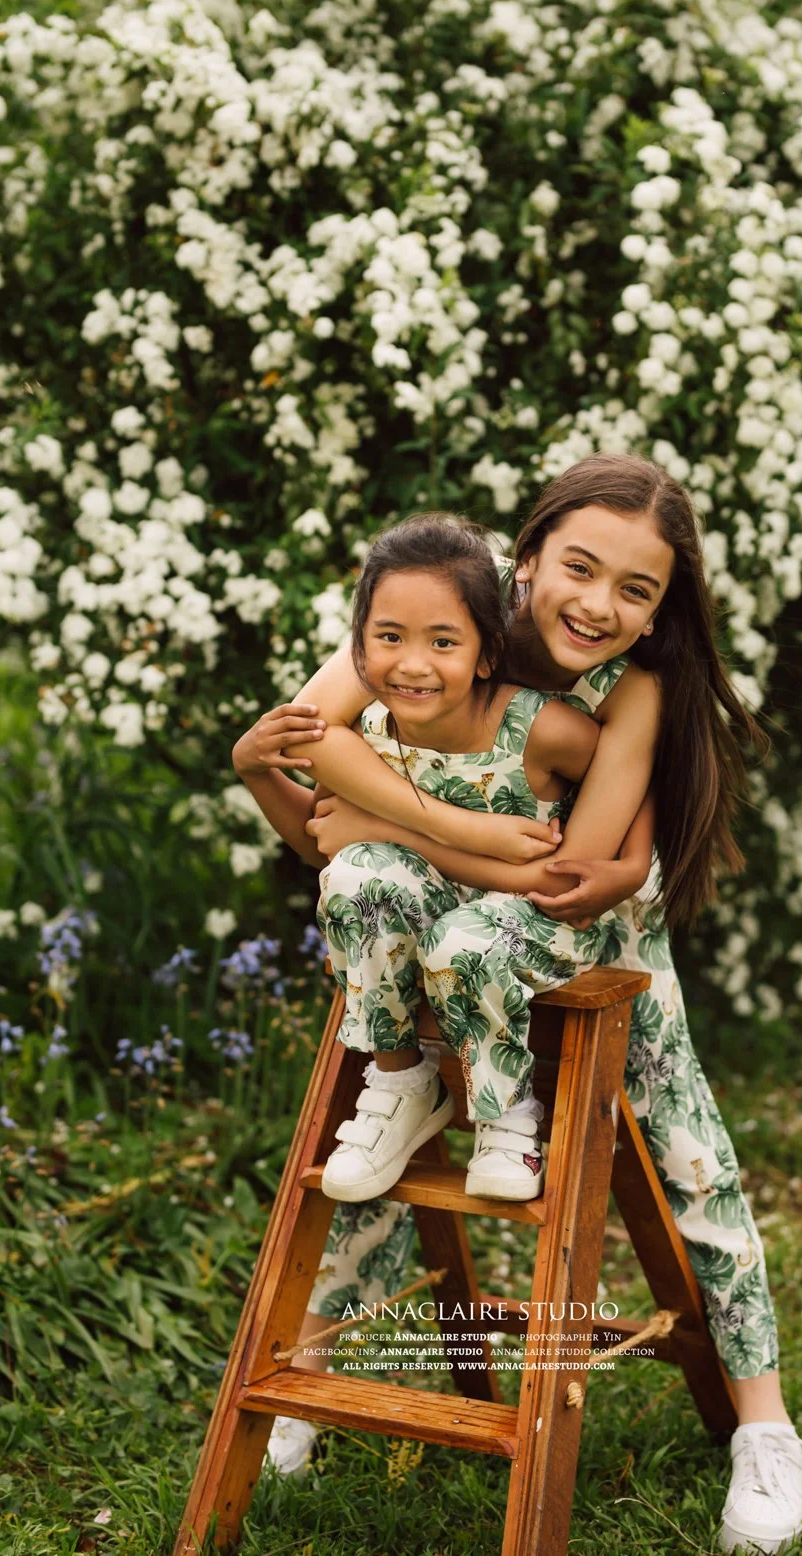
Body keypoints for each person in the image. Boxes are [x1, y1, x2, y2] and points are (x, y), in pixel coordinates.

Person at [233, 454, 802, 1554]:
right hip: (430, 935)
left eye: (635, 591)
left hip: (593, 954)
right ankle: (300, 1373)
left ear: (657, 613)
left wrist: (383, 822)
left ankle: (766, 1428)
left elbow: (568, 874)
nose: (599, 604)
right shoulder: (441, 613)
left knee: (698, 1165)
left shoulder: (632, 689)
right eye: (579, 569)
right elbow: (308, 757)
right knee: (381, 1129)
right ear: (527, 556)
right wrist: (411, 835)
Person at [300, 511, 622, 1205]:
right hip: (447, 906)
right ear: (358, 648)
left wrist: (626, 869)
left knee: (462, 939)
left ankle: (508, 1117)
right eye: (389, 638)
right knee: (359, 876)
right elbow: (307, 740)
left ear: (485, 654)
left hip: (541, 920)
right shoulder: (375, 729)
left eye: (442, 641)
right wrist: (467, 834)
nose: (413, 663)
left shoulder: (543, 729)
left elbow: (630, 789)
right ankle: (401, 1081)